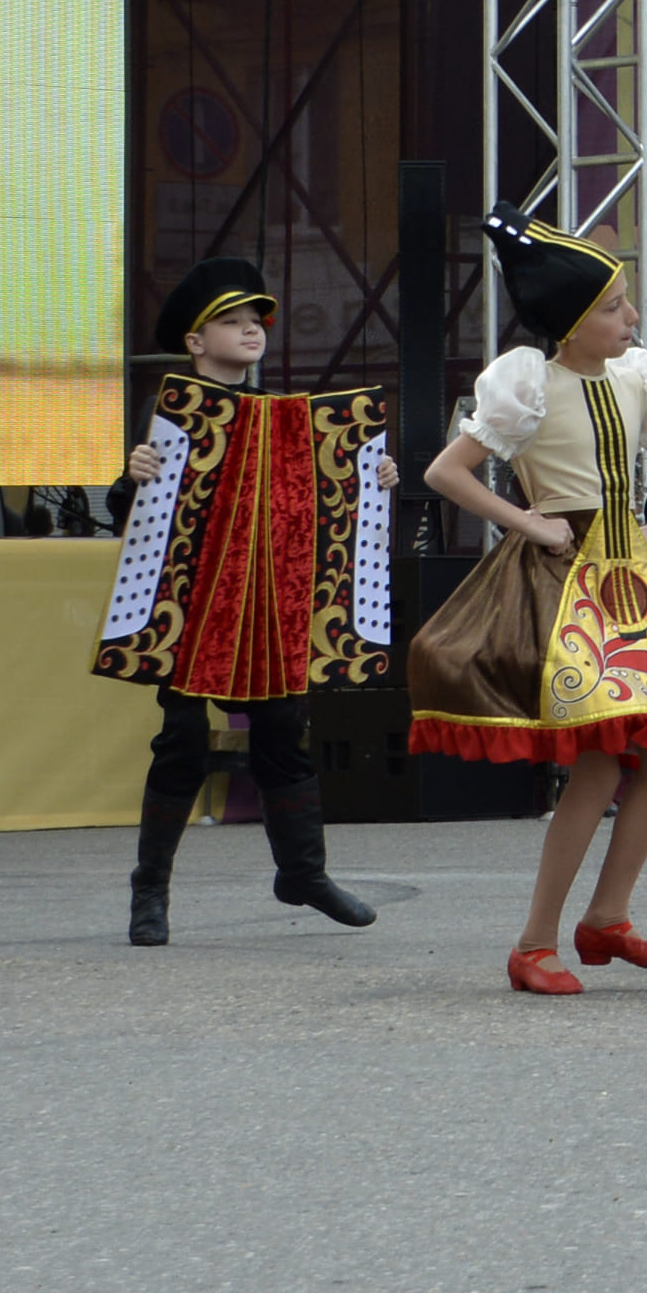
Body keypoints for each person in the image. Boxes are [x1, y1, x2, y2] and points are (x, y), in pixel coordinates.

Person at [406, 221, 647, 993]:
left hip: (630, 579)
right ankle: (536, 942)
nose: (631, 320)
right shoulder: (531, 383)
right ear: (573, 321)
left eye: (627, 305)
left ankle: (606, 916)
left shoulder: (637, 380)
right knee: (602, 759)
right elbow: (449, 471)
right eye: (614, 308)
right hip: (569, 577)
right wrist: (527, 520)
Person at [95, 255, 393, 947]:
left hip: (269, 602)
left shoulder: (284, 415)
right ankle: (151, 891)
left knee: (285, 733)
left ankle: (303, 873)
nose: (251, 330)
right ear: (196, 342)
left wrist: (370, 475)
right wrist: (131, 477)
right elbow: (140, 512)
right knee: (184, 739)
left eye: (255, 320)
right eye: (231, 322)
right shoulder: (169, 408)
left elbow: (322, 507)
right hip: (190, 606)